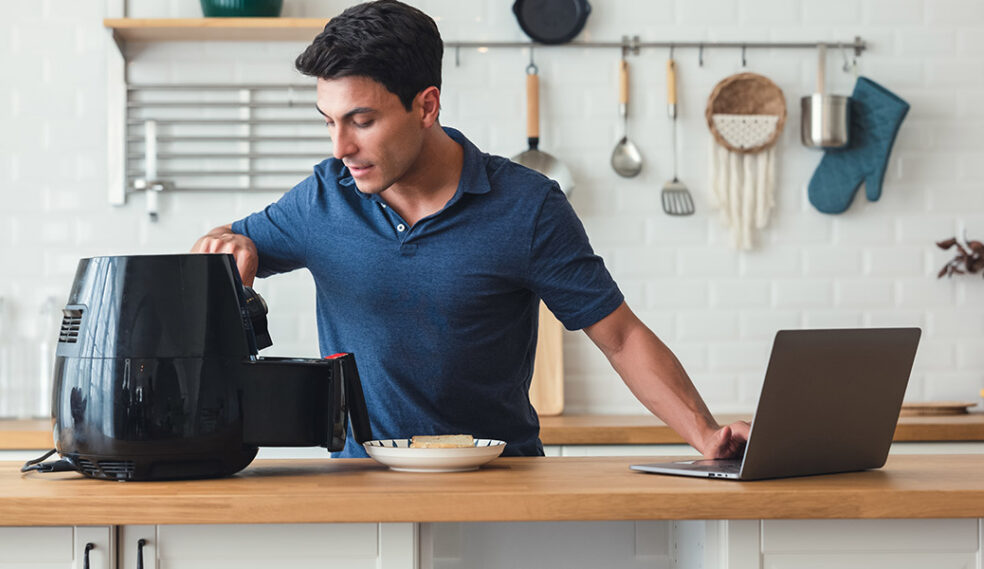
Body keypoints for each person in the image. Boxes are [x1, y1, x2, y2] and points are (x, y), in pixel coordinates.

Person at [192, 0, 749, 459]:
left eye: (362, 121)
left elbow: (621, 336)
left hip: (501, 485)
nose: (340, 148)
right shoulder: (323, 198)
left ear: (427, 105)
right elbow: (221, 248)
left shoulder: (527, 208)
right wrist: (229, 241)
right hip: (362, 488)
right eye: (330, 122)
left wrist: (704, 434)